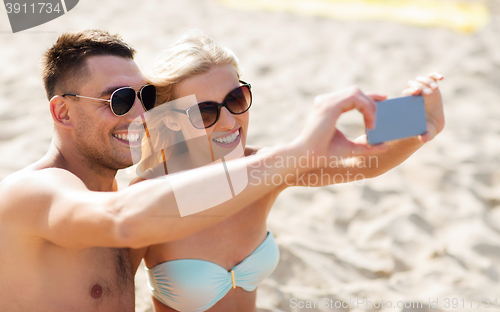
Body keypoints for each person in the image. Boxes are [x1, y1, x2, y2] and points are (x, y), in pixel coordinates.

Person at [0, 29, 391, 311]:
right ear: (62, 112)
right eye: (118, 101)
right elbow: (124, 221)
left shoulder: (119, 196)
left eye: (146, 98)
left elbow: (363, 162)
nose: (140, 115)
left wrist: (418, 120)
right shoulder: (34, 192)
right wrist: (298, 150)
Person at [132, 30, 445, 312]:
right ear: (171, 120)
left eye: (236, 98)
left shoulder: (261, 169)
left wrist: (419, 119)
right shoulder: (147, 194)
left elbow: (360, 161)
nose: (230, 122)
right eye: (206, 111)